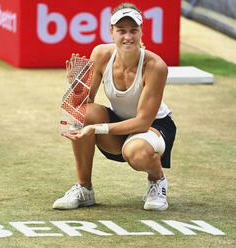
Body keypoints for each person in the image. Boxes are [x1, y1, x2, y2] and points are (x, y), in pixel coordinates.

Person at [53, 2, 176, 211]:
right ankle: (84, 189)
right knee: (83, 114)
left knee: (136, 153)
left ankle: (157, 181)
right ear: (111, 32)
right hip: (118, 125)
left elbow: (143, 121)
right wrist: (76, 89)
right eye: (121, 31)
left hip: (153, 127)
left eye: (133, 31)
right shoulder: (100, 54)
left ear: (141, 33)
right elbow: (82, 105)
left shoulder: (156, 66)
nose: (127, 37)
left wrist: (97, 129)